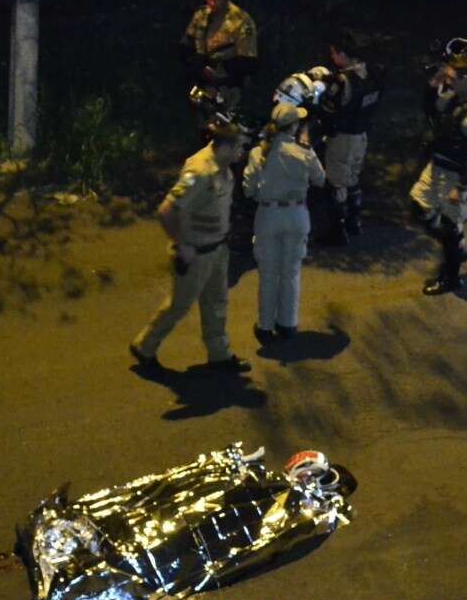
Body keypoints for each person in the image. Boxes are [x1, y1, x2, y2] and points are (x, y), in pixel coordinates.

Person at [130, 123, 252, 373]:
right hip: (196, 253)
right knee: (179, 305)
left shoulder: (222, 166)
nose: (242, 152)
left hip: (217, 249)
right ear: (226, 147)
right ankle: (144, 346)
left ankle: (219, 355)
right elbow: (167, 210)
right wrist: (182, 245)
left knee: (216, 303)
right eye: (239, 147)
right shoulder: (199, 171)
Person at [409, 54, 467, 295]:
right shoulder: (453, 98)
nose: (447, 83)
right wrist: (435, 81)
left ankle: (451, 277)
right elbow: (429, 108)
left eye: (451, 78)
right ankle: (456, 246)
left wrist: (462, 186)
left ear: (466, 78)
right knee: (418, 207)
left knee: (449, 223)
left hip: (456, 175)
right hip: (437, 166)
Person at [243, 103, 325, 344]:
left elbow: (247, 190)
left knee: (268, 274)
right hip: (296, 215)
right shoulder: (304, 151)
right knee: (290, 273)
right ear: (294, 126)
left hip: (268, 215)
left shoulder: (258, 153)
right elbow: (320, 179)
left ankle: (265, 325)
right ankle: (287, 324)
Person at [317, 30, 385, 244]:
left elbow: (328, 110)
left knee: (336, 184)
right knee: (353, 179)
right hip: (361, 136)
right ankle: (354, 222)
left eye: (333, 53)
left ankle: (338, 233)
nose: (332, 57)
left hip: (342, 138)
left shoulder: (343, 81)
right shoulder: (372, 74)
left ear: (343, 54)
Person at [180, 0, 258, 127]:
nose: (212, 3)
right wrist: (193, 62)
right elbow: (187, 43)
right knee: (201, 124)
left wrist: (224, 76)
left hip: (227, 83)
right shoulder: (201, 14)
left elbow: (247, 61)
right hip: (201, 79)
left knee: (223, 126)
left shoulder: (241, 20)